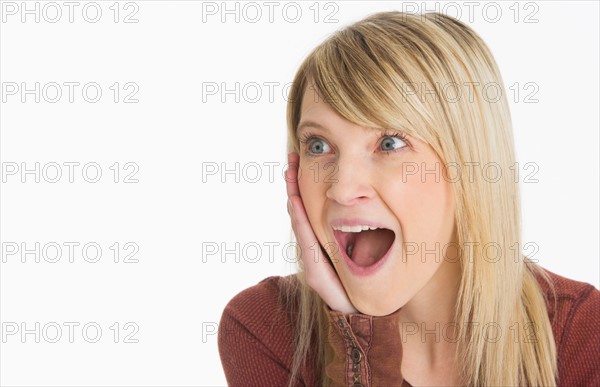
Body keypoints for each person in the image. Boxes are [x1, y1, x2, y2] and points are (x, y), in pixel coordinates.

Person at [218, 11, 600, 386]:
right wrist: (357, 341)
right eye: (318, 145)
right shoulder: (266, 328)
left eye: (390, 143)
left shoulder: (583, 335)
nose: (342, 188)